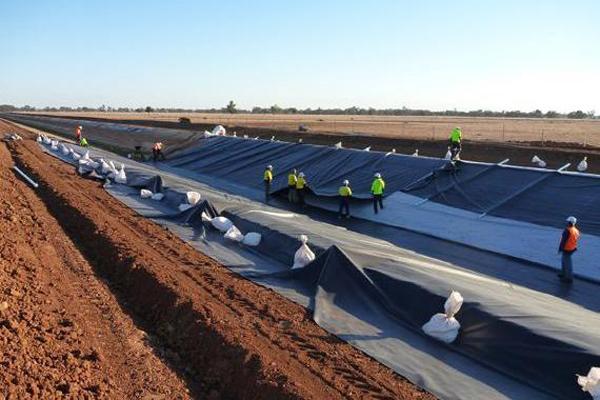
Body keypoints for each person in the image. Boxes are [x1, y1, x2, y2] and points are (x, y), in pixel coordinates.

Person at [558, 216, 580, 283]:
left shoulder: (567, 230)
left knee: (567, 263)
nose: (567, 223)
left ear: (570, 222)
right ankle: (562, 273)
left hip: (567, 248)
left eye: (568, 222)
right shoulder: (576, 230)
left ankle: (569, 277)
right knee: (564, 260)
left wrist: (560, 249)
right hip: (572, 248)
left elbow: (563, 241)